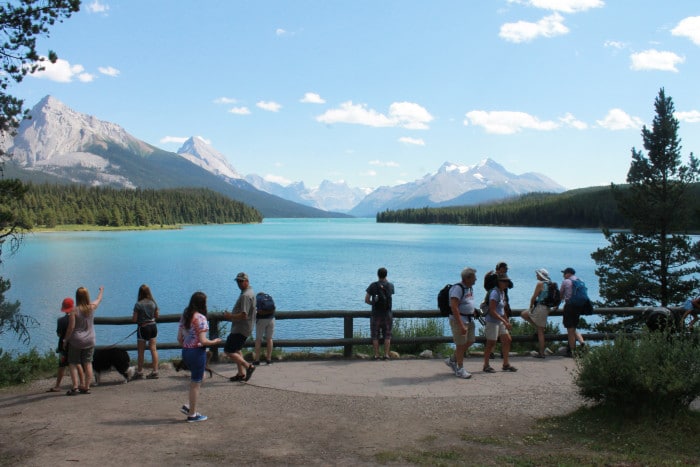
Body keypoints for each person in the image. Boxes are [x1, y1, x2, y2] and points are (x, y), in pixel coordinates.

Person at [177, 291, 222, 423]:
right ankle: (192, 414)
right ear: (202, 303)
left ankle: (189, 406)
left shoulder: (185, 316)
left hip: (186, 351)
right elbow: (203, 341)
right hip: (197, 352)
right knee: (195, 383)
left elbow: (179, 338)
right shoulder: (201, 318)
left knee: (200, 377)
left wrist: (187, 346)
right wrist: (215, 342)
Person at [63, 286, 104, 395]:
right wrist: (101, 291)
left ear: (77, 297)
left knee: (73, 363)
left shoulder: (74, 311)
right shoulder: (91, 307)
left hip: (76, 341)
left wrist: (65, 340)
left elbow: (71, 327)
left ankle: (75, 387)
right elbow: (98, 299)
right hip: (90, 340)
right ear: (87, 296)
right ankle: (86, 386)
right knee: (88, 363)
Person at [444, 267, 477, 379]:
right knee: (460, 344)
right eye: (474, 277)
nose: (476, 279)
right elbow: (454, 307)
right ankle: (460, 368)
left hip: (469, 319)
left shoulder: (469, 288)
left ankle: (452, 360)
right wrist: (461, 324)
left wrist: (473, 310)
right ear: (467, 278)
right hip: (460, 320)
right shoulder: (457, 288)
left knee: (471, 340)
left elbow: (468, 302)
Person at [223, 272, 257, 382]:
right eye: (237, 281)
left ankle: (248, 367)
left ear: (247, 281)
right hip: (244, 327)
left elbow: (244, 315)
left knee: (228, 350)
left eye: (241, 281)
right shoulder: (250, 292)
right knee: (237, 350)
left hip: (240, 328)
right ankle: (241, 373)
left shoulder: (245, 296)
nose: (239, 283)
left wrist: (229, 316)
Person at [482, 274, 517, 373]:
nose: (506, 283)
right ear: (499, 282)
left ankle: (506, 364)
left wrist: (506, 321)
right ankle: (486, 365)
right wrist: (505, 321)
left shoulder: (502, 292)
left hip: (500, 320)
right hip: (492, 321)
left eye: (507, 281)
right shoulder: (494, 293)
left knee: (507, 340)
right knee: (491, 343)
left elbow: (502, 310)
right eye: (504, 281)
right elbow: (492, 311)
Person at [48, 297, 82, 392]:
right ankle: (82, 383)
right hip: (74, 344)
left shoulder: (60, 320)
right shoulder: (77, 318)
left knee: (61, 366)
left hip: (63, 346)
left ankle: (57, 385)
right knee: (77, 363)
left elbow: (59, 334)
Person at [364, 267, 395, 360]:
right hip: (387, 314)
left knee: (375, 335)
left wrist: (373, 304)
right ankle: (386, 355)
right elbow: (389, 294)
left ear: (377, 275)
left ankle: (377, 355)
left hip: (376, 314)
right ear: (386, 275)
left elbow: (366, 300)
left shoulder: (373, 285)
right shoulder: (390, 285)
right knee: (387, 335)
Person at [521, 269, 552, 358]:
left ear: (541, 275)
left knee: (523, 314)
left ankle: (541, 353)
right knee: (540, 331)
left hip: (540, 307)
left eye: (537, 274)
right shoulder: (550, 284)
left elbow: (534, 297)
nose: (536, 276)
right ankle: (541, 352)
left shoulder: (540, 284)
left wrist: (531, 307)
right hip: (547, 308)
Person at [132, 284, 160, 379]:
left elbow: (134, 319)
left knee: (141, 351)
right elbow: (157, 316)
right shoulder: (153, 303)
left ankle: (139, 372)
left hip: (143, 328)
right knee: (153, 349)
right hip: (153, 327)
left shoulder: (138, 304)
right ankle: (155, 371)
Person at [558, 267, 587, 357]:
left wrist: (557, 305)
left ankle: (572, 351)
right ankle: (582, 342)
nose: (563, 275)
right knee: (573, 327)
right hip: (579, 307)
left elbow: (561, 295)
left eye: (564, 273)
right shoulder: (580, 280)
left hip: (570, 306)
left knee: (570, 329)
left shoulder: (566, 282)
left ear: (568, 273)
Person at [253, 292, 276, 365]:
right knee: (269, 339)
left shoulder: (257, 299)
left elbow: (253, 309)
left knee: (258, 339)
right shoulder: (269, 297)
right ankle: (269, 359)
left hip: (261, 320)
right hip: (271, 319)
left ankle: (257, 360)